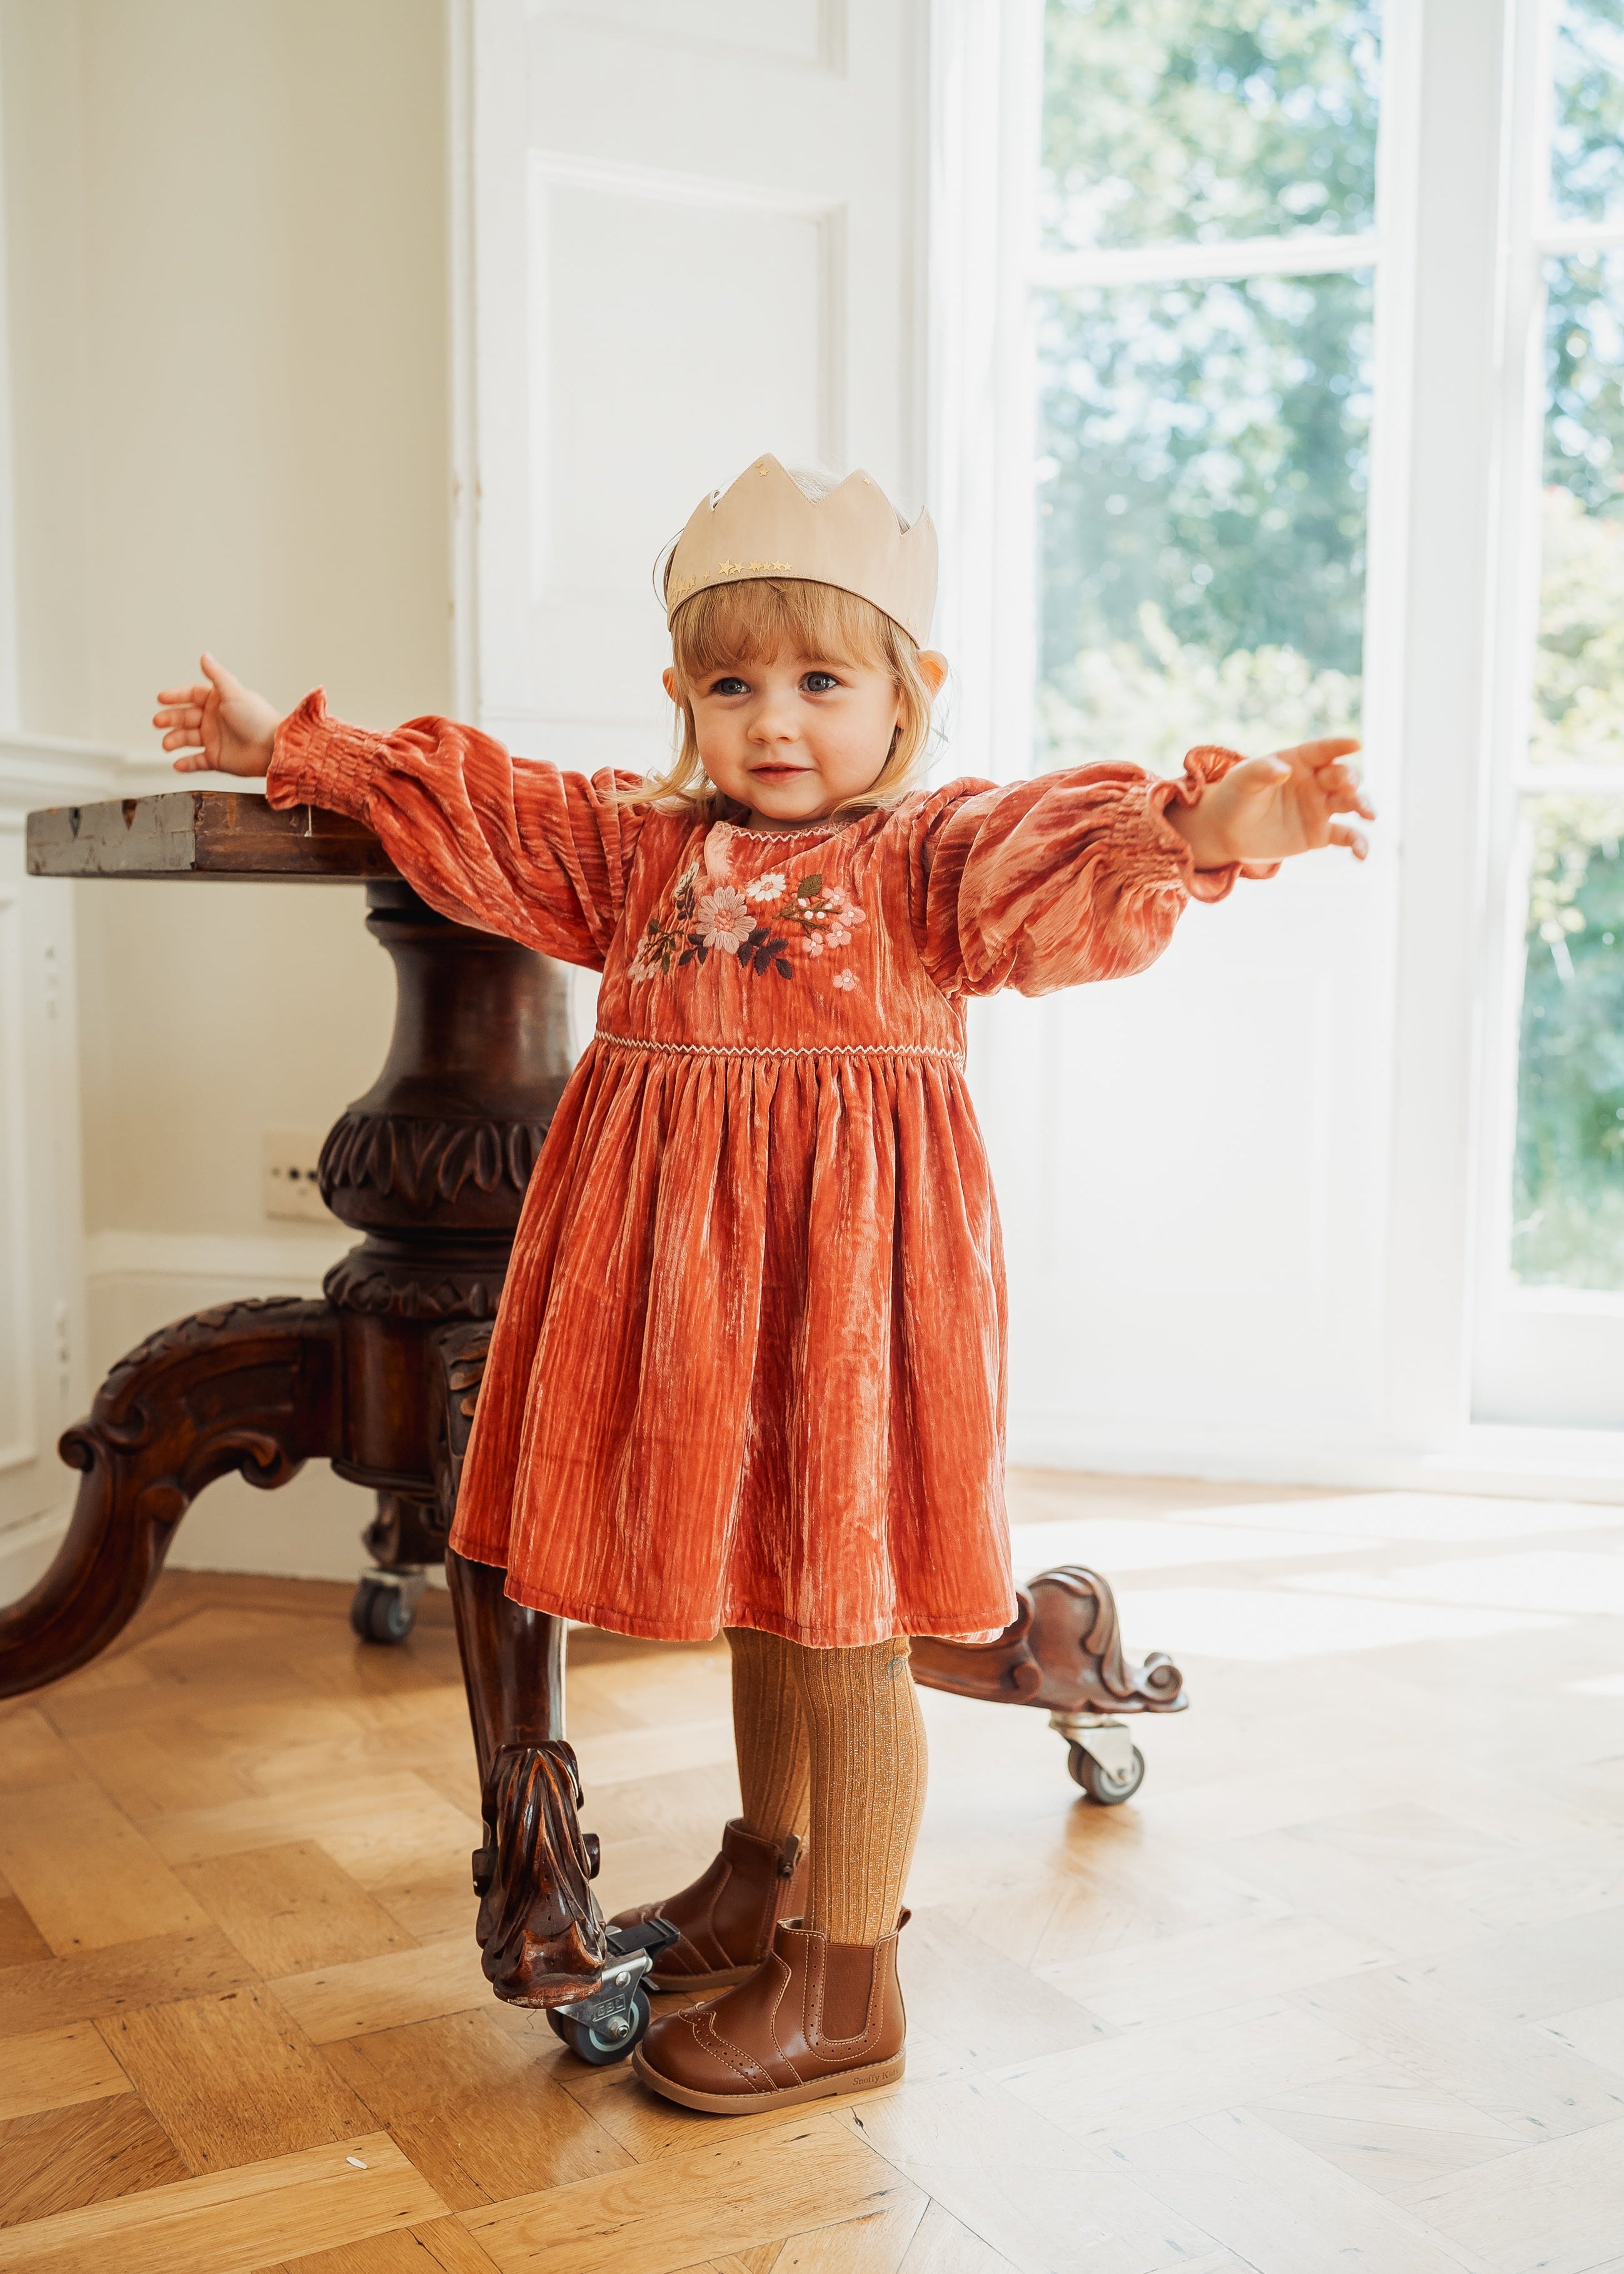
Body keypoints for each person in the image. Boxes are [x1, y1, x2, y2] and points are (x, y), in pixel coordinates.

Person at [153, 455, 1371, 2115]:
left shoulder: (924, 860)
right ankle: (766, 1875)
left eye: (820, 683)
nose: (775, 721)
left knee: (845, 1607)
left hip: (855, 1299)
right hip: (691, 1299)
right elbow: (494, 806)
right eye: (732, 687)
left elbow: (1065, 861)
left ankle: (850, 1975)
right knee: (761, 1577)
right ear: (682, 696)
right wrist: (294, 747)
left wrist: (1214, 822)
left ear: (908, 694)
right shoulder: (645, 853)